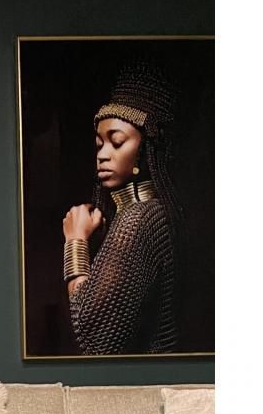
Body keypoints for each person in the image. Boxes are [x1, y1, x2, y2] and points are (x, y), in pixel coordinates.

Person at [61, 62, 183, 354]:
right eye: (99, 144)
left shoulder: (138, 218)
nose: (102, 155)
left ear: (145, 149)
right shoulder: (153, 213)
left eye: (116, 142)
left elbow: (93, 337)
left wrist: (75, 241)